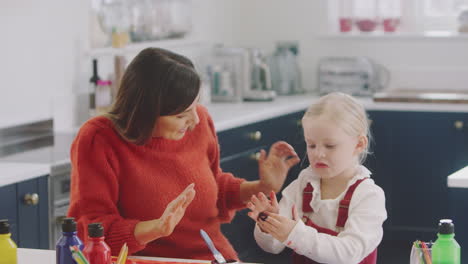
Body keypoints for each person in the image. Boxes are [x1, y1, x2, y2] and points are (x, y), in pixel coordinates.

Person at [68, 47, 300, 261]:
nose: (195, 120)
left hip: (213, 256)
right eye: (182, 115)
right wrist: (157, 228)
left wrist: (261, 186)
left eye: (196, 106)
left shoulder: (199, 122)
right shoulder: (99, 139)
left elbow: (211, 184)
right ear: (145, 112)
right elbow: (91, 228)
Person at [247, 92, 387, 264]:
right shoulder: (301, 186)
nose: (318, 154)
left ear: (359, 144)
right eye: (311, 145)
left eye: (330, 146)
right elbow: (273, 247)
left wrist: (295, 233)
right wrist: (269, 225)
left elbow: (349, 253)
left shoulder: (369, 196)